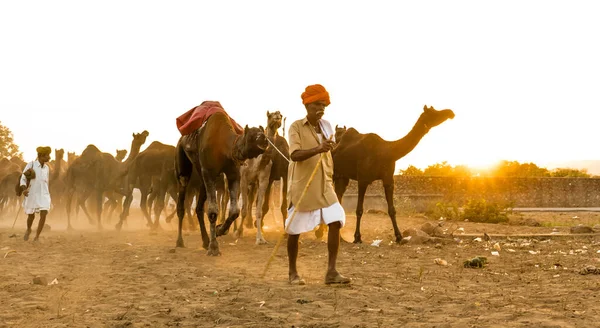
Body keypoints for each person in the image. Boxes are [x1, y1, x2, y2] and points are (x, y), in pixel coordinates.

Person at [285, 84, 351, 285]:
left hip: (325, 184)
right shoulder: (295, 127)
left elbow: (328, 150)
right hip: (304, 185)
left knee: (335, 220)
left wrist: (332, 145)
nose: (321, 109)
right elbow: (295, 155)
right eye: (317, 105)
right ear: (307, 105)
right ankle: (292, 273)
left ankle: (331, 272)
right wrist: (319, 148)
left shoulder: (327, 126)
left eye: (323, 105)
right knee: (294, 229)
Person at [19, 146, 52, 241]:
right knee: (31, 216)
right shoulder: (31, 165)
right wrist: (24, 189)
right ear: (41, 156)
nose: (49, 157)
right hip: (32, 193)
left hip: (44, 194)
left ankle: (37, 236)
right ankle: (29, 229)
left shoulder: (47, 168)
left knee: (44, 213)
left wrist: (48, 194)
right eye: (47, 156)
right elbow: (23, 178)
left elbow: (46, 182)